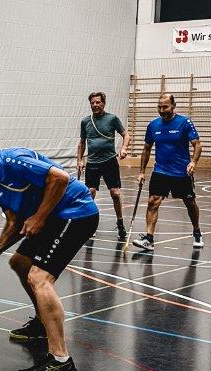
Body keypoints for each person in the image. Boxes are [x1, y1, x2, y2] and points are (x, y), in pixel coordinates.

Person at [0, 135, 99, 371]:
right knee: (19, 262)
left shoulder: (13, 161)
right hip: (54, 217)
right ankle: (43, 323)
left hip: (75, 212)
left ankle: (60, 361)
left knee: (39, 277)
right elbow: (14, 221)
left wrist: (39, 218)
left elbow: (59, 178)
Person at [133, 93, 203, 252]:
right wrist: (142, 171)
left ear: (173, 106)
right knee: (153, 202)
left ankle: (197, 231)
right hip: (160, 171)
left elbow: (197, 145)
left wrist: (193, 162)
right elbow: (146, 149)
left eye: (165, 107)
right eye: (159, 107)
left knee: (190, 203)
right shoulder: (153, 125)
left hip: (181, 172)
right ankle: (149, 239)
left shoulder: (184, 122)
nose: (162, 110)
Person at [77, 91, 130, 241]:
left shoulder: (112, 119)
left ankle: (120, 223)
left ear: (103, 103)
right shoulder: (85, 121)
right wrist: (79, 160)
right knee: (90, 193)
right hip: (93, 162)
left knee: (115, 193)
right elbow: (82, 143)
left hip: (109, 161)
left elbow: (126, 135)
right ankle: (89, 224)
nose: (95, 105)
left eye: (98, 102)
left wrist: (124, 148)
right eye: (92, 103)